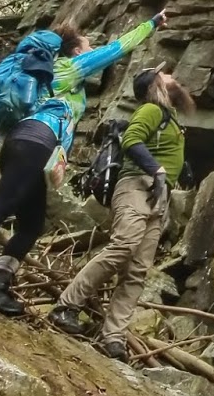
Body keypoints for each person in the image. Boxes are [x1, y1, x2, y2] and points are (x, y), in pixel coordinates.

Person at [0, 10, 166, 317]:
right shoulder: (68, 68)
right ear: (75, 51)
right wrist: (152, 24)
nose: (92, 50)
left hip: (25, 144)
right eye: (88, 46)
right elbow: (117, 49)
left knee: (31, 225)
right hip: (35, 141)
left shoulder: (47, 76)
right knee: (1, 206)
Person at [51, 66, 193, 359]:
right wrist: (157, 170)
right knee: (123, 247)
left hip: (158, 197)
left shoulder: (171, 118)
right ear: (155, 85)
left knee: (137, 270)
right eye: (165, 75)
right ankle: (66, 306)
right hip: (136, 187)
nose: (173, 77)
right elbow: (131, 140)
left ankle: (112, 337)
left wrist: (180, 169)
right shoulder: (151, 110)